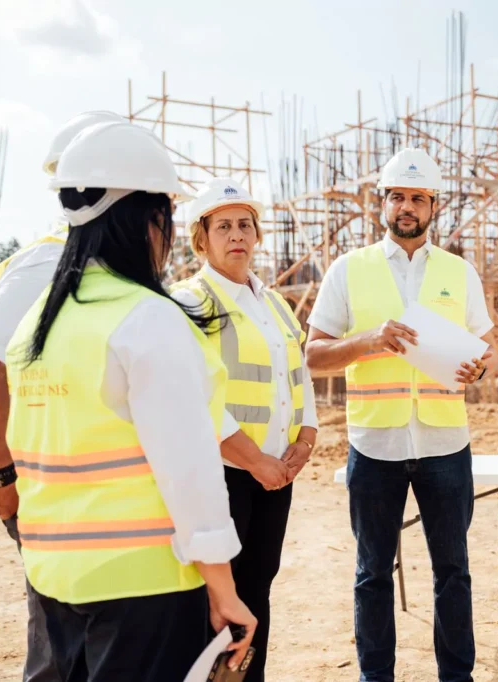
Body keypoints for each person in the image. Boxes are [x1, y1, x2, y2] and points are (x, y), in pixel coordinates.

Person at [0, 120, 257, 681]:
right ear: (147, 218)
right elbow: (189, 470)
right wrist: (223, 586)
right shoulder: (147, 319)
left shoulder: (40, 323)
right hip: (145, 586)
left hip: (54, 577)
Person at [305, 148, 498, 682]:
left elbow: (487, 347)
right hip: (376, 446)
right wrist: (369, 340)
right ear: (382, 203)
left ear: (434, 204)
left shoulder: (459, 272)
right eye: (397, 197)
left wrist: (477, 369)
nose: (407, 206)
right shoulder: (349, 270)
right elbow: (313, 354)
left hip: (444, 446)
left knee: (453, 574)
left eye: (417, 197)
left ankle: (455, 676)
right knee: (372, 575)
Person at [0, 109, 126, 682]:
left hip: (100, 493)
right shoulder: (44, 263)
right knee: (60, 645)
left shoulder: (115, 268)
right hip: (49, 490)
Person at [172, 177, 318, 682]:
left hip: (276, 475)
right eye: (224, 226)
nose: (237, 235)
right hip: (225, 476)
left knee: (258, 590)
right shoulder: (189, 302)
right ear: (202, 238)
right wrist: (256, 461)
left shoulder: (274, 303)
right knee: (216, 599)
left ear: (257, 235)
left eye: (245, 225)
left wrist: (305, 440)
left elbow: (298, 375)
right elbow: (195, 399)